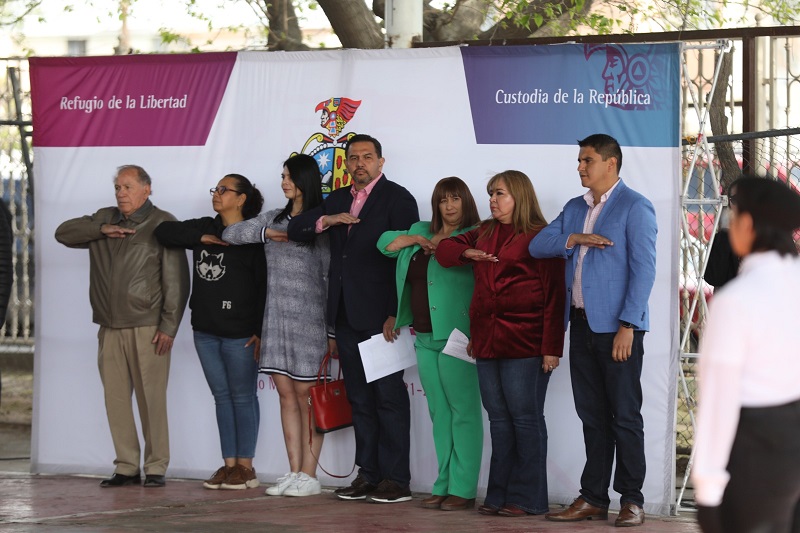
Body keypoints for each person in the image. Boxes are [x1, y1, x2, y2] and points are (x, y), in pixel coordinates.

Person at [530, 133, 657, 527]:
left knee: (625, 416)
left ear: (610, 163)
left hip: (619, 330)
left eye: (587, 160)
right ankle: (594, 498)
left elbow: (644, 271)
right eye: (579, 160)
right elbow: (538, 244)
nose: (580, 166)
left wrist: (628, 325)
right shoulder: (574, 207)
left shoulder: (635, 206)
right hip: (581, 326)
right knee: (592, 416)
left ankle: (632, 500)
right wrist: (576, 238)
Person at [287, 134, 419, 504]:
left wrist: (396, 312)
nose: (360, 163)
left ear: (381, 161)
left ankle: (396, 480)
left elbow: (406, 259)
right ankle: (369, 475)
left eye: (367, 157)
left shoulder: (398, 198)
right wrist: (327, 219)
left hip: (382, 319)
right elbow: (296, 228)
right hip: (344, 315)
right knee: (359, 399)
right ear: (346, 164)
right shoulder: (337, 198)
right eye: (354, 158)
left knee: (388, 398)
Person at [437, 170, 566, 517]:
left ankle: (527, 499)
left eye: (500, 194)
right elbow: (445, 250)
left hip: (527, 343)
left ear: (519, 196)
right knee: (498, 420)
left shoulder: (541, 236)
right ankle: (499, 495)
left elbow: (556, 297)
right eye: (491, 193)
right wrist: (468, 253)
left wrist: (551, 348)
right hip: (487, 342)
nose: (492, 200)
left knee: (524, 419)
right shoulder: (484, 231)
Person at [55, 165, 190, 488]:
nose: (121, 193)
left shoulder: (163, 223)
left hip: (148, 326)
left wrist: (169, 326)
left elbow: (177, 282)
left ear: (147, 189)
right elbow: (63, 233)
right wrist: (102, 229)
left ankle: (156, 465)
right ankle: (127, 466)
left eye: (128, 187)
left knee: (151, 399)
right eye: (117, 187)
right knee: (115, 400)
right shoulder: (105, 218)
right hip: (109, 326)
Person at [693, 176, 800, 533]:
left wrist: (707, 491)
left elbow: (719, 401)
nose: (729, 223)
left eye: (734, 215)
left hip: (754, 451)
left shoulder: (737, 300)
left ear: (749, 224)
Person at [222, 154, 330, 498]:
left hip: (311, 321)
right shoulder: (274, 218)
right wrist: (269, 232)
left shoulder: (322, 222)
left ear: (305, 181)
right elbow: (231, 232)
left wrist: (332, 330)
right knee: (286, 396)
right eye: (283, 176)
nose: (284, 182)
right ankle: (294, 471)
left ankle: (310, 475)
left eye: (290, 177)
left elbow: (330, 277)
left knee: (307, 397)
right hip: (276, 320)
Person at [377, 177, 483, 512]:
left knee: (463, 413)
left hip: (458, 337)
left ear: (466, 202)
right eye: (443, 200)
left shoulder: (475, 234)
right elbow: (383, 243)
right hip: (422, 337)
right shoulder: (420, 229)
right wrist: (416, 239)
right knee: (440, 414)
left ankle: (463, 489)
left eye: (456, 199)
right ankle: (444, 484)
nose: (449, 206)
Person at [154, 174, 266, 491]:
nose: (216, 194)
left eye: (223, 190)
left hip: (241, 334)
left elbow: (263, 287)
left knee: (243, 397)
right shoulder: (206, 226)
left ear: (241, 199)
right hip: (205, 331)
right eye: (215, 189)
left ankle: (246, 467)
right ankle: (229, 466)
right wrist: (201, 238)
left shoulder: (253, 235)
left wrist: (260, 330)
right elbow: (163, 232)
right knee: (222, 398)